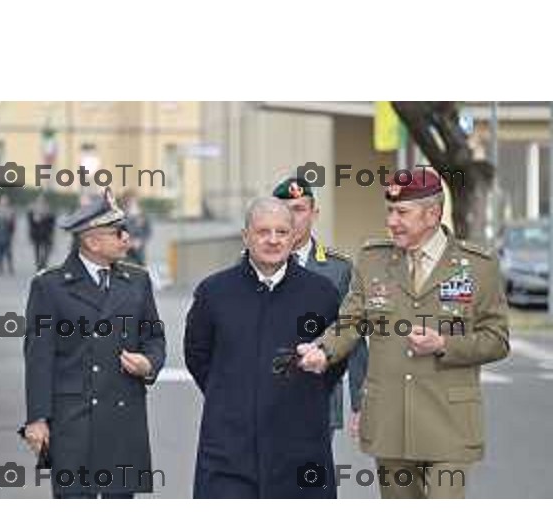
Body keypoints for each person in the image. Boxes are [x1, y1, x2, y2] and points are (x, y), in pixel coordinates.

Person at [297, 168, 509, 499]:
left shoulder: (478, 266)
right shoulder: (372, 260)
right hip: (390, 421)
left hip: (449, 424)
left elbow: (497, 339)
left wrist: (444, 344)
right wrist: (323, 350)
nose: (392, 221)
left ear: (433, 214)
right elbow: (351, 322)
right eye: (389, 211)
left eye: (402, 212)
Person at [184, 197, 346, 499]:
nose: (273, 240)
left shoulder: (321, 293)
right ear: (246, 236)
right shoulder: (214, 292)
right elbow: (198, 356)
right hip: (229, 449)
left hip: (300, 446)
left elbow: (335, 359)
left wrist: (300, 395)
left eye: (282, 232)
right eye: (263, 232)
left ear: (294, 235)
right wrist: (233, 397)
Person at [22, 187, 166, 499]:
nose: (127, 238)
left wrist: (149, 364)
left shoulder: (137, 281)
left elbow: (154, 337)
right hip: (73, 423)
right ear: (92, 241)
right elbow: (39, 357)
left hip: (122, 421)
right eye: (119, 232)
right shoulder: (50, 286)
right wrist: (36, 418)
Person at [272, 177, 368, 439]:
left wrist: (360, 403)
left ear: (314, 213)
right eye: (283, 210)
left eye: (299, 209)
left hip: (318, 396)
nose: (291, 218)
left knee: (313, 478)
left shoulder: (338, 269)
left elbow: (353, 336)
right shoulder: (249, 265)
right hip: (265, 398)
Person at [122, 191, 151, 266]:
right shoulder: (121, 215)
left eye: (132, 201)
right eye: (128, 201)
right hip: (124, 251)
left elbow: (148, 232)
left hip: (139, 251)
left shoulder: (143, 215)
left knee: (140, 270)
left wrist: (140, 241)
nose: (130, 203)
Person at [27, 195, 56, 270]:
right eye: (39, 201)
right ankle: (39, 264)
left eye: (42, 201)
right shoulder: (32, 210)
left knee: (46, 250)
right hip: (36, 234)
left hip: (46, 234)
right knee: (37, 249)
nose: (41, 203)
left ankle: (42, 263)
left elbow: (52, 222)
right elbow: (30, 223)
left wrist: (44, 218)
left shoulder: (49, 210)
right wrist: (34, 219)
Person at [0, 195, 16, 275]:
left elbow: (13, 224)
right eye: (3, 200)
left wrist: (12, 233)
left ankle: (10, 267)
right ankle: (0, 268)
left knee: (8, 253)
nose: (4, 202)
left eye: (6, 200)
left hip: (7, 235)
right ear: (0, 201)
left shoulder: (11, 210)